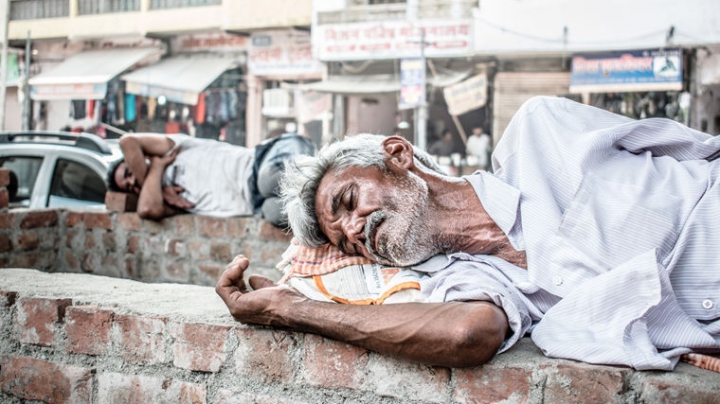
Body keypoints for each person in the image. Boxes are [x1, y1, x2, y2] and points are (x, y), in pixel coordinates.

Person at [216, 96, 720, 370]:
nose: (355, 229)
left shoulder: (539, 131)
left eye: (348, 201)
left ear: (398, 156)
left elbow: (699, 151)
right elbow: (464, 336)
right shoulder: (467, 282)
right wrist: (291, 310)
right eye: (348, 242)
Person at [108, 123, 315, 227]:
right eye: (128, 185)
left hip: (264, 161)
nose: (132, 180)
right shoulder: (168, 202)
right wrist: (156, 171)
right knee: (276, 212)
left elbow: (128, 141)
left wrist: (156, 165)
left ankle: (328, 169)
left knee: (267, 181)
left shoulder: (170, 148)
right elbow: (147, 208)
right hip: (257, 204)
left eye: (128, 172)